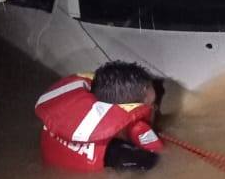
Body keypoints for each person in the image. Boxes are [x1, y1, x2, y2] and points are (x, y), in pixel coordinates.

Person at [35, 61, 164, 172]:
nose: (156, 109)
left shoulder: (63, 120)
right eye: (151, 106)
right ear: (129, 110)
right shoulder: (125, 157)